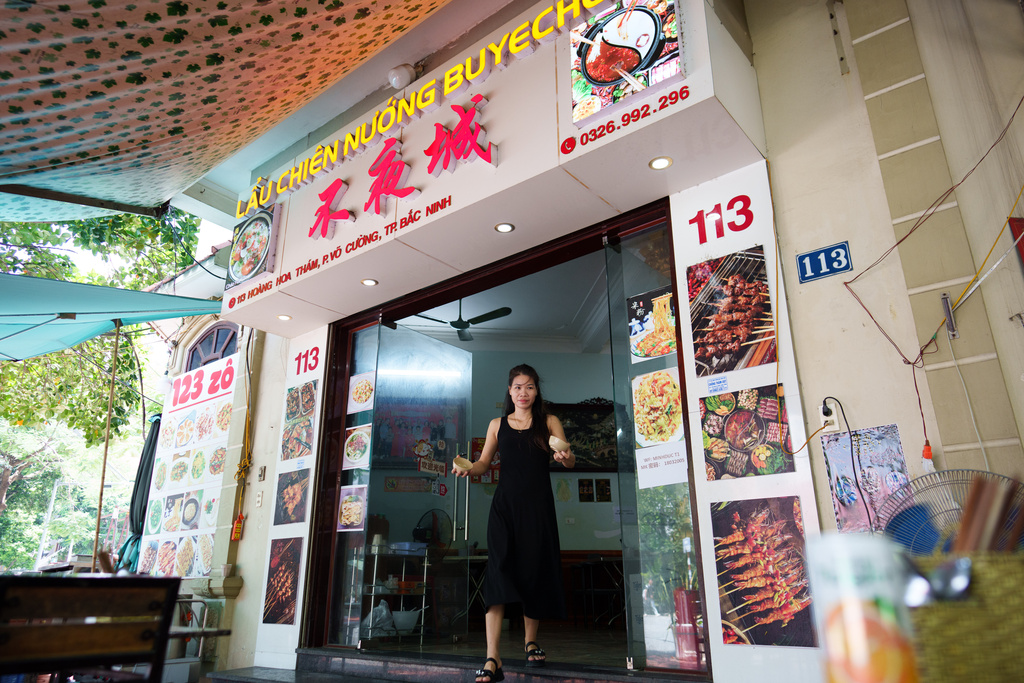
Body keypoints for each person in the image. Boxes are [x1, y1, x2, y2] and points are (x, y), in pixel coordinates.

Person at [454, 364, 575, 683]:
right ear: (509, 391)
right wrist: (469, 469)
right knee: (497, 573)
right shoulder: (497, 424)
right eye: (518, 387)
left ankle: (530, 641)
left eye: (530, 387)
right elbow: (483, 463)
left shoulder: (549, 422)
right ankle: (492, 656)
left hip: (538, 509)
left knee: (533, 572)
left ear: (537, 391)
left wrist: (565, 457)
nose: (523, 392)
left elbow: (569, 456)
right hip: (504, 509)